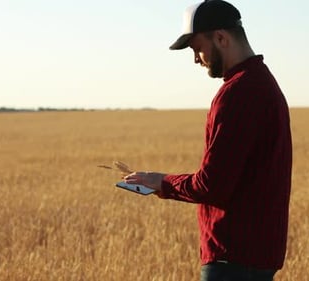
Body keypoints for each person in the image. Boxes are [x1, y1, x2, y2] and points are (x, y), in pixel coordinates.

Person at [123, 1, 292, 280]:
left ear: (221, 38)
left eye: (196, 48)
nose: (195, 59)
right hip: (253, 258)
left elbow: (212, 185)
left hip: (234, 260)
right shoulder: (263, 82)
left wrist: (161, 182)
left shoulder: (239, 92)